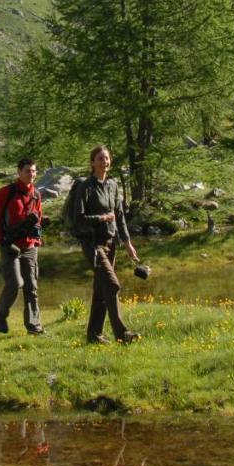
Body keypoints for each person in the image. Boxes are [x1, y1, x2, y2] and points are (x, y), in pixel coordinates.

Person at [72, 145, 140, 344]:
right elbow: (79, 219)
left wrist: (128, 244)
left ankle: (94, 335)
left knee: (101, 289)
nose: (105, 162)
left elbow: (119, 218)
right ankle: (122, 334)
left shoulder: (112, 185)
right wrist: (101, 218)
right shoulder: (86, 186)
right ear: (92, 163)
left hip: (111, 244)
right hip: (93, 245)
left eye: (107, 158)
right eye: (100, 159)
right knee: (112, 285)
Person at [0, 157, 44, 335]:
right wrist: (1, 241)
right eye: (28, 171)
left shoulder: (36, 194)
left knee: (31, 287)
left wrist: (37, 241)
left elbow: (39, 221)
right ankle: (0, 315)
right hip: (9, 245)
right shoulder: (6, 192)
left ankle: (34, 327)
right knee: (14, 284)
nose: (31, 174)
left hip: (29, 246)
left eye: (34, 171)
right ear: (19, 172)